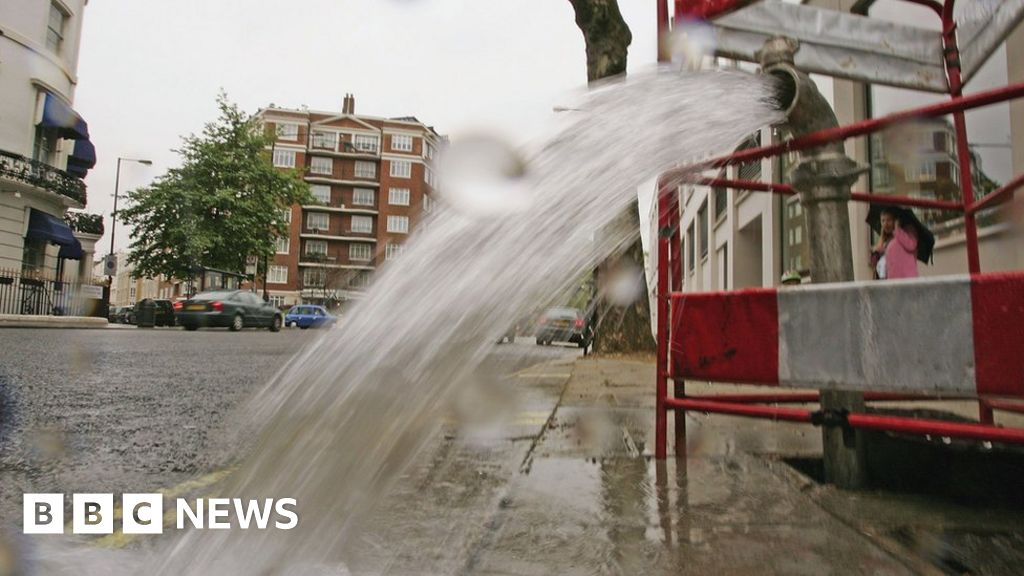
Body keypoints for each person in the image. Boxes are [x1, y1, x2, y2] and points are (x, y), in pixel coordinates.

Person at [870, 207, 919, 280]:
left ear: (896, 221)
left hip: (906, 278)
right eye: (883, 221)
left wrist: (897, 230)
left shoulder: (907, 232)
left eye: (888, 220)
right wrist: (877, 251)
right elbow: (874, 262)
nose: (885, 224)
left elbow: (911, 246)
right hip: (890, 280)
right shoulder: (885, 238)